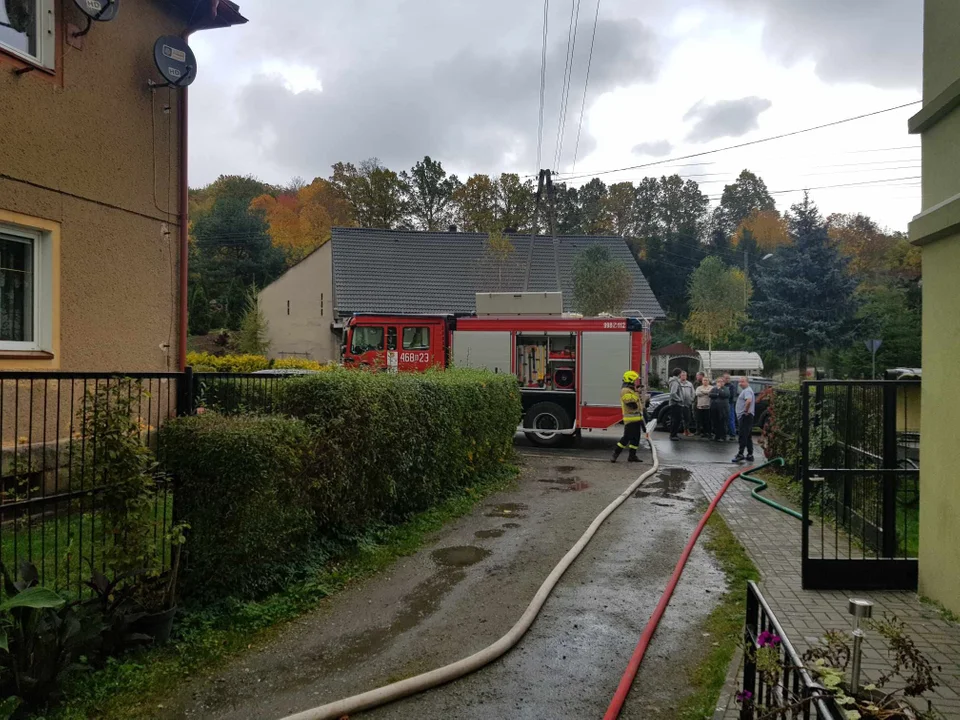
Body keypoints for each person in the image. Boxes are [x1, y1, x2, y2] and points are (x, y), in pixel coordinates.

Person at [612, 370, 646, 463]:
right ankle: (615, 455)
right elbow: (631, 404)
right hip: (630, 420)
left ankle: (632, 456)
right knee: (626, 438)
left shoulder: (630, 390)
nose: (635, 382)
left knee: (636, 439)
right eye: (634, 380)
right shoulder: (625, 391)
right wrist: (636, 394)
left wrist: (637, 391)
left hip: (636, 419)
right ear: (630, 380)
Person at [732, 375, 756, 463]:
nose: (740, 383)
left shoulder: (747, 391)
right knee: (748, 436)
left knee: (742, 435)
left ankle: (740, 454)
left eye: (742, 382)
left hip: (745, 416)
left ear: (747, 382)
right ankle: (750, 454)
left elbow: (748, 400)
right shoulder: (747, 390)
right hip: (747, 416)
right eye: (739, 382)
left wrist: (745, 410)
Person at [709, 376, 731, 442]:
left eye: (721, 382)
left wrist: (719, 390)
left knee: (723, 422)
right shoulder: (713, 388)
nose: (719, 383)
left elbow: (725, 394)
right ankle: (716, 436)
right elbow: (710, 395)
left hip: (723, 409)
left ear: (723, 383)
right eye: (718, 382)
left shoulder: (726, 388)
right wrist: (717, 394)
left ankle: (723, 436)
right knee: (715, 422)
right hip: (714, 408)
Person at [667, 368, 684, 441]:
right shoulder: (675, 382)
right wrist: (679, 399)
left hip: (675, 404)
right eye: (681, 373)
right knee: (676, 420)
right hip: (676, 404)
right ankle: (673, 435)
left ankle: (674, 434)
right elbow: (673, 393)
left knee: (676, 419)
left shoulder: (675, 381)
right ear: (679, 374)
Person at [679, 371, 695, 437]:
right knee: (678, 418)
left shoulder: (689, 384)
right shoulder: (678, 383)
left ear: (686, 376)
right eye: (682, 375)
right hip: (679, 404)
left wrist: (691, 400)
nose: (683, 376)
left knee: (687, 418)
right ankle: (677, 431)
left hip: (687, 404)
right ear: (680, 376)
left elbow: (693, 393)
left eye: (685, 375)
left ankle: (686, 430)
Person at [723, 372, 738, 440]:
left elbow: (731, 395)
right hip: (722, 404)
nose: (727, 379)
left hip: (729, 404)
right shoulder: (722, 385)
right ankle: (725, 433)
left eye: (728, 378)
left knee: (730, 419)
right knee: (723, 420)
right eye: (726, 378)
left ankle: (733, 434)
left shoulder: (732, 386)